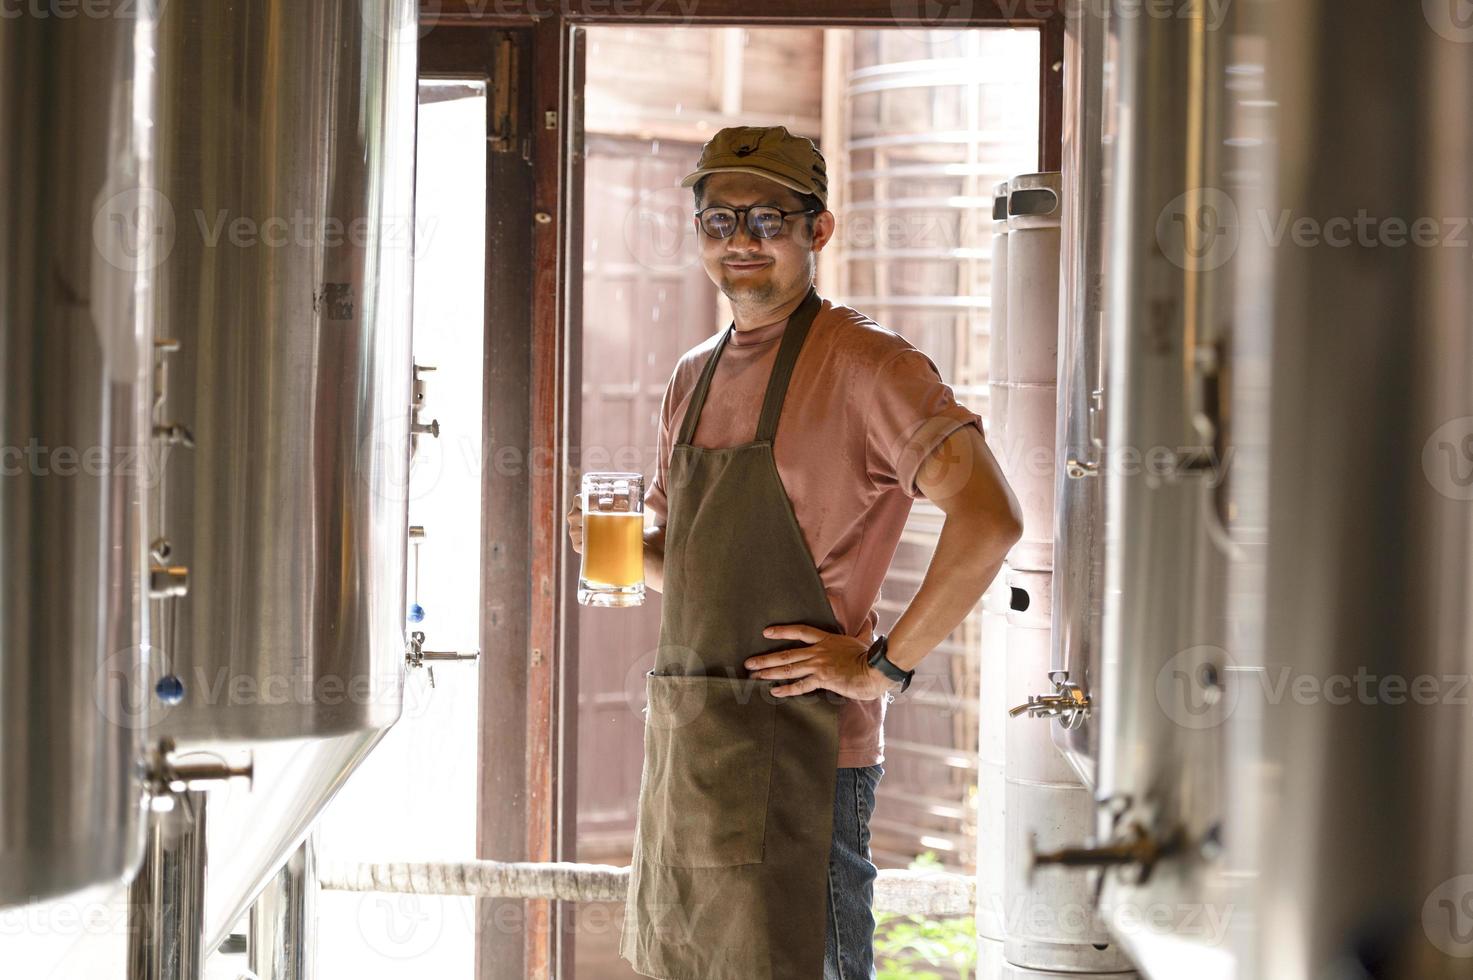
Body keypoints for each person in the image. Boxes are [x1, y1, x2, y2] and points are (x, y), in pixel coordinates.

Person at [567, 124, 1022, 980]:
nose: (740, 240)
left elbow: (990, 519)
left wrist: (882, 667)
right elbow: (690, 564)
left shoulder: (869, 364)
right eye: (717, 220)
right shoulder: (691, 374)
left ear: (818, 230)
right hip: (694, 747)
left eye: (766, 218)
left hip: (804, 752)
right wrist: (617, 549)